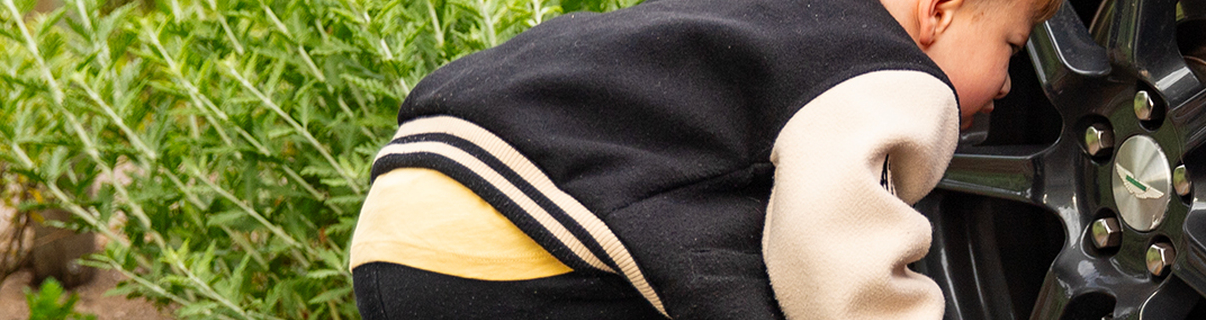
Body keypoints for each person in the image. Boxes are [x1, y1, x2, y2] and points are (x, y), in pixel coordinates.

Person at [339, 0, 1055, 318]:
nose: (1005, 88)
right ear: (939, 10)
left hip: (411, 210)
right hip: (525, 246)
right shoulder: (891, 69)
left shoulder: (772, 21)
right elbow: (832, 246)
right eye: (1012, 48)